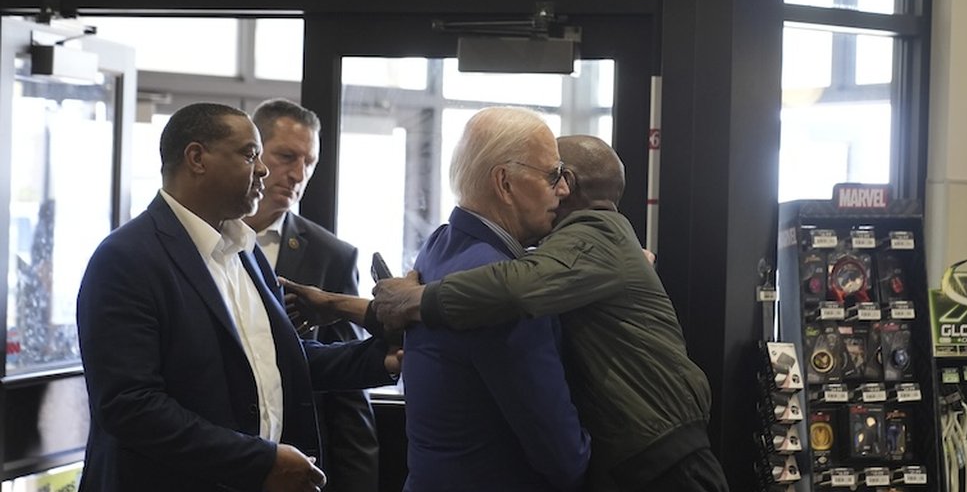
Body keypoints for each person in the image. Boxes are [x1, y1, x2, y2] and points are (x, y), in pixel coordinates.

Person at [287, 135, 728, 491]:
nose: (555, 188)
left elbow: (510, 290)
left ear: (569, 182)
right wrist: (346, 305)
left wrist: (408, 299)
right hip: (641, 456)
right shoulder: (519, 257)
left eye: (557, 174)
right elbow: (453, 323)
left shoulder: (590, 235)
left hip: (664, 462)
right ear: (505, 182)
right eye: (548, 174)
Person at [76, 102, 398, 492]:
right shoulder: (125, 259)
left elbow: (279, 360)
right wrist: (260, 462)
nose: (262, 169)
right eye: (250, 155)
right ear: (197, 158)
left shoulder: (244, 251)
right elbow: (131, 406)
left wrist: (381, 358)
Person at [299, 107, 591, 491]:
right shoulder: (503, 288)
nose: (564, 190)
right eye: (553, 174)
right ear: (504, 183)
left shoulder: (439, 244)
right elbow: (561, 455)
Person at [243, 98, 381, 492]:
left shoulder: (332, 255)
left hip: (300, 459)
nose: (298, 174)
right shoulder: (206, 239)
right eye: (286, 156)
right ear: (254, 154)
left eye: (310, 162)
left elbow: (348, 393)